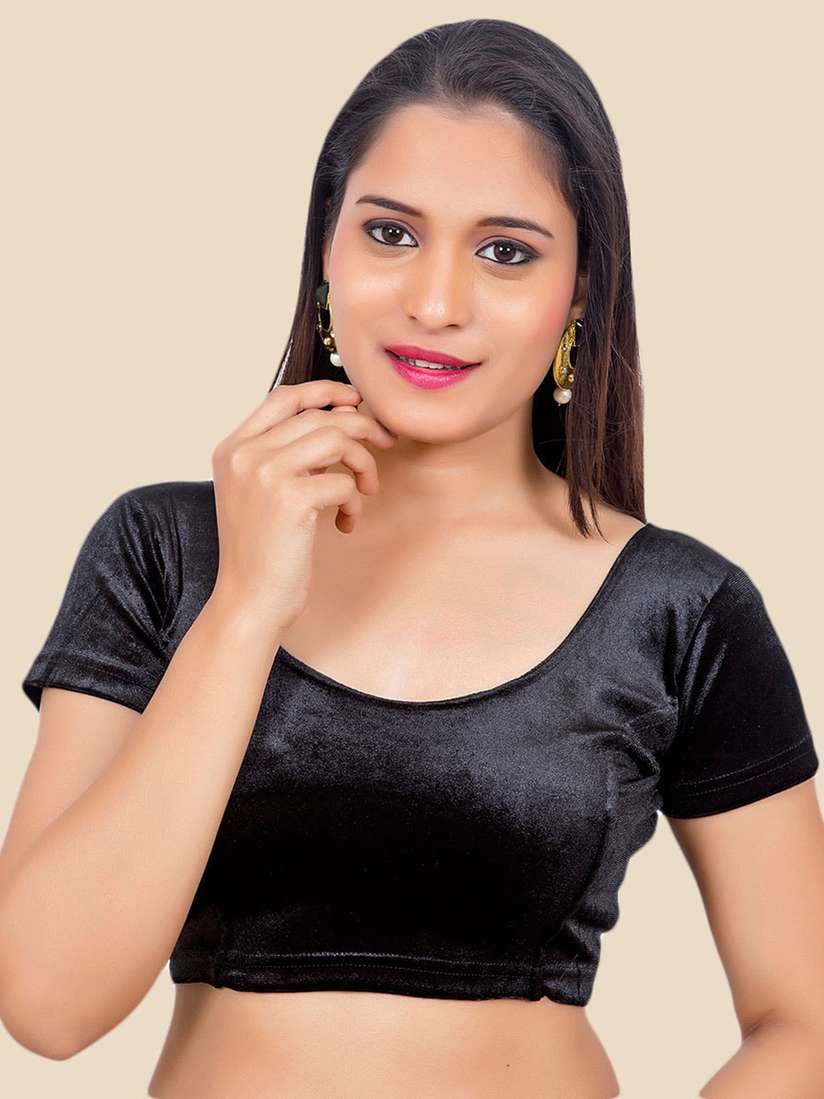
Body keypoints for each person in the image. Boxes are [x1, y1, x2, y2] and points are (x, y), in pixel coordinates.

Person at [3, 17, 823, 1099]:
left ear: (580, 290)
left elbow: (805, 1021)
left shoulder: (681, 608)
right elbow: (46, 1002)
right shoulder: (162, 551)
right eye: (390, 233)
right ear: (326, 252)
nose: (435, 302)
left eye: (505, 251)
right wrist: (245, 605)